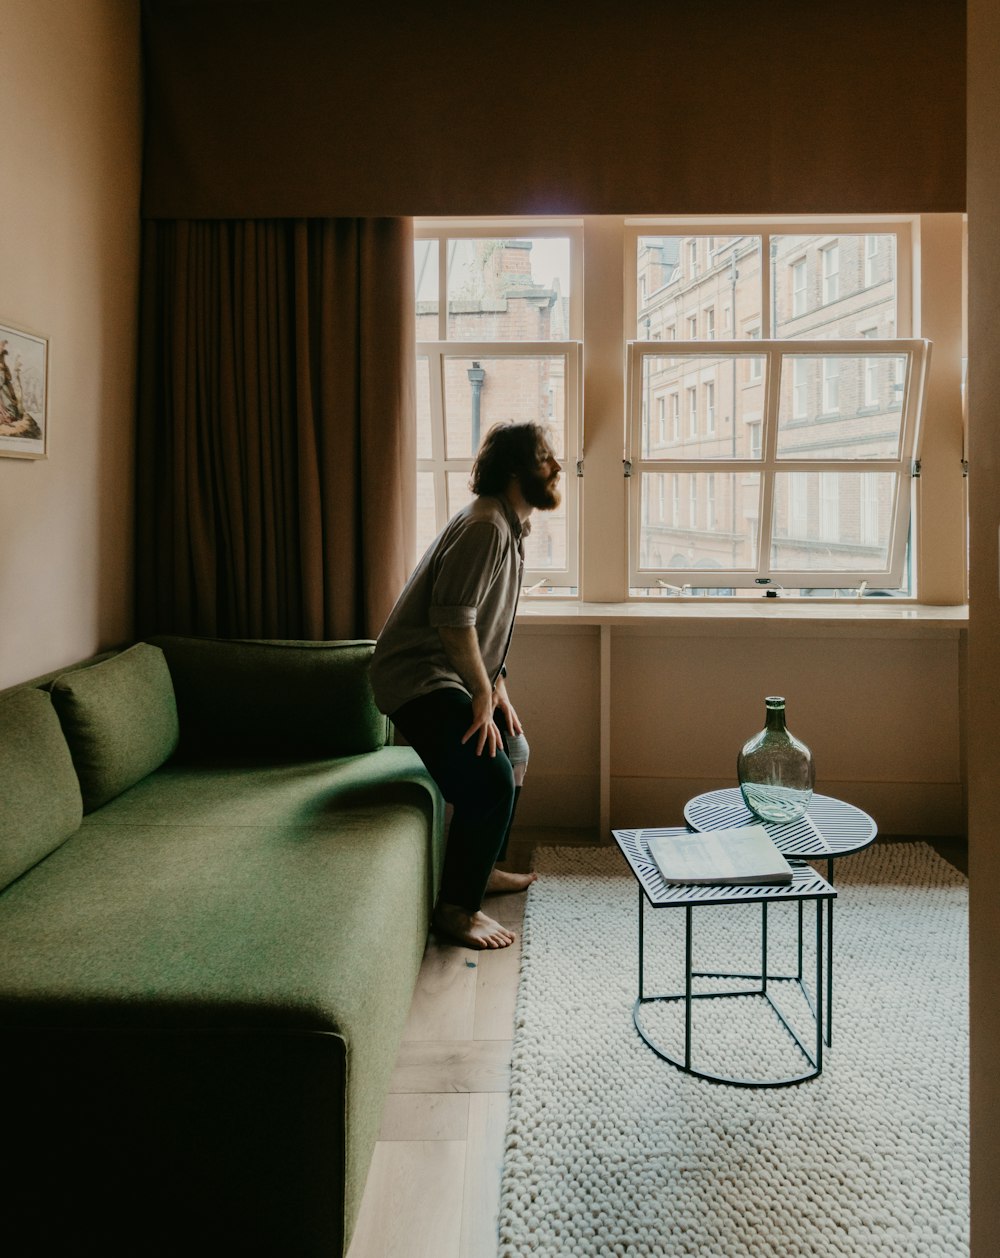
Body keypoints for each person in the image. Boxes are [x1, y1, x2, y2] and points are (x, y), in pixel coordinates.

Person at [370, 421, 562, 950]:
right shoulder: (485, 526)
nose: (558, 467)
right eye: (548, 458)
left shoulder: (506, 524)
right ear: (519, 470)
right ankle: (455, 909)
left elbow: (481, 626)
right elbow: (453, 620)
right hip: (417, 677)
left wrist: (495, 685)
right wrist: (480, 691)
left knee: (515, 747)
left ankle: (483, 868)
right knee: (489, 782)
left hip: (450, 671)